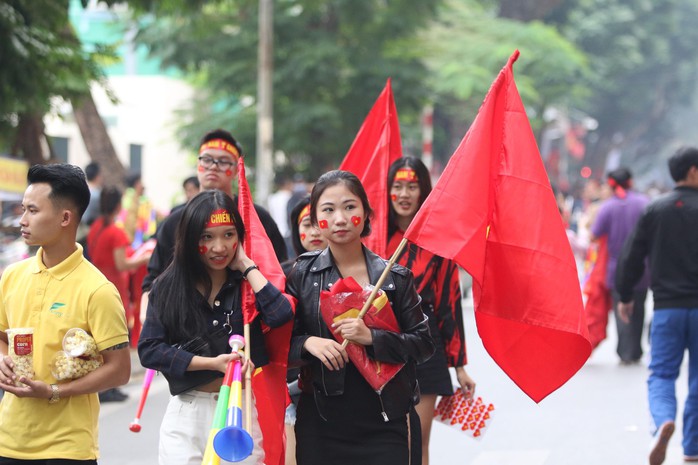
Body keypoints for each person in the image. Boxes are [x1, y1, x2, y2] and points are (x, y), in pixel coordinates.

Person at [286, 170, 435, 465]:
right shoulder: (301, 275)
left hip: (384, 420)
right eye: (328, 210)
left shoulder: (393, 277)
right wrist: (307, 344)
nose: (340, 218)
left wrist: (373, 338)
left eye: (349, 207)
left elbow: (422, 344)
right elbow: (277, 344)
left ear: (366, 214)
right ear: (316, 221)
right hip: (321, 420)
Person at [138, 190, 293, 465]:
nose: (219, 247)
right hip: (187, 412)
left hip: (240, 410)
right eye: (207, 237)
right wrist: (211, 363)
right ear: (190, 238)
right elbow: (149, 350)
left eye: (229, 235)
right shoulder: (167, 286)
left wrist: (246, 264)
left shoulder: (247, 286)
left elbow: (280, 315)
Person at [0, 163, 131, 463]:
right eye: (23, 209)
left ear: (65, 218)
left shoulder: (98, 290)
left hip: (68, 448)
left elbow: (120, 369)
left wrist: (54, 391)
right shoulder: (12, 276)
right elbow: (1, 336)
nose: (22, 220)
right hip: (8, 440)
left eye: (32, 211)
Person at [386, 157, 475, 465]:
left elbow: (449, 306)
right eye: (397, 186)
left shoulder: (439, 243)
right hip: (379, 347)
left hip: (425, 349)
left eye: (412, 186)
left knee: (416, 442)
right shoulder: (371, 240)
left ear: (424, 191)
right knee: (386, 443)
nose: (405, 194)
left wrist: (459, 365)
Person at [615, 147, 698, 465]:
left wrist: (624, 295)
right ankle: (692, 448)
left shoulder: (655, 210)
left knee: (662, 374)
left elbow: (631, 256)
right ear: (692, 171)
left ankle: (664, 419)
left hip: (666, 310)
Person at [142, 129, 287, 295]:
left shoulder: (257, 218)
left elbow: (279, 269)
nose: (213, 166)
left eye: (224, 161)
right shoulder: (176, 221)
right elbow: (152, 281)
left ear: (235, 170)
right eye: (207, 159)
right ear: (198, 165)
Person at [87, 186, 152, 402]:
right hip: (113, 288)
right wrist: (144, 258)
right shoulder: (115, 232)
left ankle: (104, 386)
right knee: (113, 340)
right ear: (117, 205)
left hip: (94, 284)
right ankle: (108, 387)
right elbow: (122, 263)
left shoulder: (96, 227)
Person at [281, 197, 327, 465]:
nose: (314, 232)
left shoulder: (355, 272)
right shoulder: (281, 275)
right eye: (306, 225)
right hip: (289, 387)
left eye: (318, 223)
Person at [590, 167, 650, 364]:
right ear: (630, 181)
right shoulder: (644, 203)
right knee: (639, 307)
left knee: (621, 309)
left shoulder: (607, 207)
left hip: (615, 269)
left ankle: (625, 351)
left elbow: (594, 235)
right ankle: (636, 349)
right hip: (642, 268)